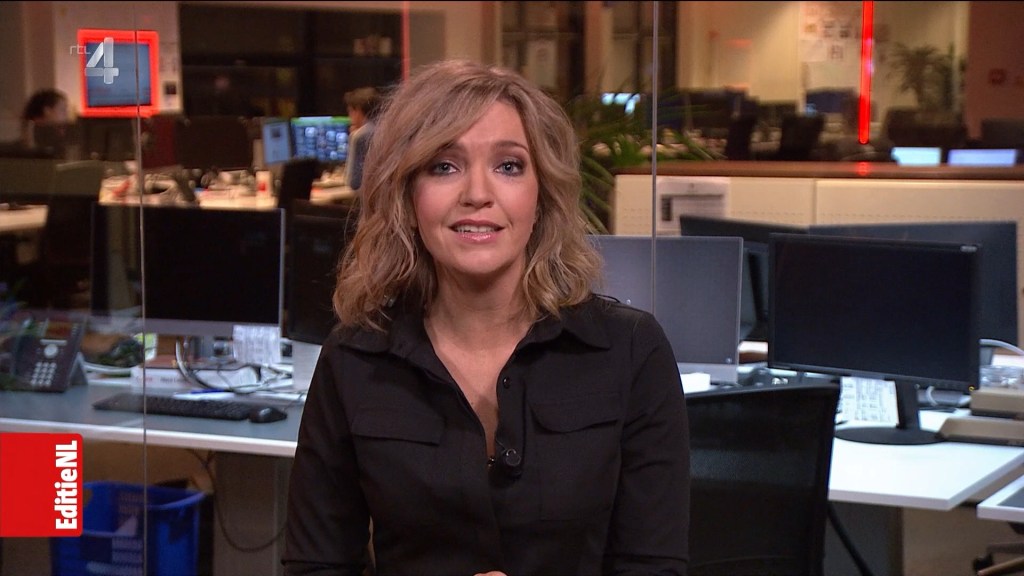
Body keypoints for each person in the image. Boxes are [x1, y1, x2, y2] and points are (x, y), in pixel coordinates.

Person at [283, 60, 690, 576]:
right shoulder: (354, 357)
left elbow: (653, 567)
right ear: (407, 196)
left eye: (509, 166)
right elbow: (316, 567)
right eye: (444, 166)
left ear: (542, 194)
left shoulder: (631, 351)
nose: (477, 193)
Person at [342, 86, 382, 191]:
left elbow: (353, 183)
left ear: (358, 111)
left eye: (350, 112)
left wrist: (352, 138)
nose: (350, 117)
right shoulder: (388, 130)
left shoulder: (359, 136)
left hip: (364, 198)